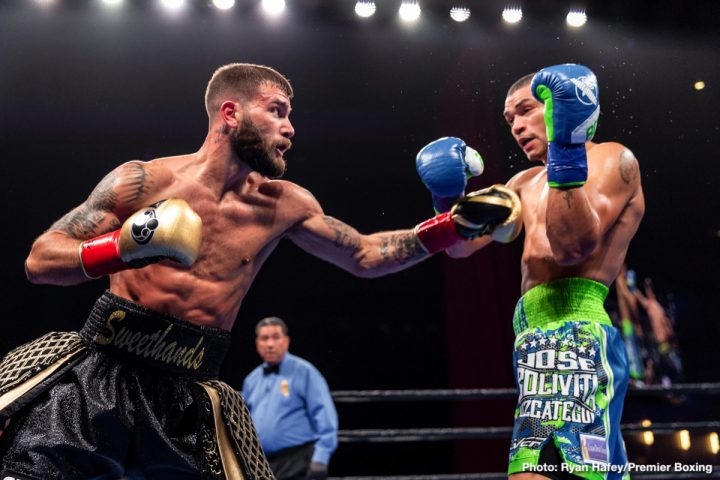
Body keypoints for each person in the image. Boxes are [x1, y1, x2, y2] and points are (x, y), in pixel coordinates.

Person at [0, 63, 521, 479]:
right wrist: (124, 247)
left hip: (188, 394)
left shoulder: (285, 204)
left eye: (290, 115)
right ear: (231, 113)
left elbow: (364, 254)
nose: (290, 128)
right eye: (277, 111)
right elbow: (40, 260)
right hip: (102, 376)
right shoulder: (143, 181)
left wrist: (451, 227)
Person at [416, 64, 645, 479]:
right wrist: (446, 195)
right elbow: (460, 249)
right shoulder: (522, 181)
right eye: (509, 120)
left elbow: (572, 244)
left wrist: (566, 147)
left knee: (585, 473)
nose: (517, 126)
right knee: (529, 471)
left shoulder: (612, 157)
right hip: (531, 339)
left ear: (561, 106)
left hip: (578, 331)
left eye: (525, 110)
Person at [242, 317, 337, 480]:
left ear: (286, 341)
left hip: (298, 460)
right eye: (265, 338)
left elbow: (325, 416)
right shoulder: (251, 380)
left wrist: (321, 458)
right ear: (257, 343)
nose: (270, 344)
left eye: (275, 337)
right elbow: (244, 423)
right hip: (260, 463)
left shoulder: (305, 372)